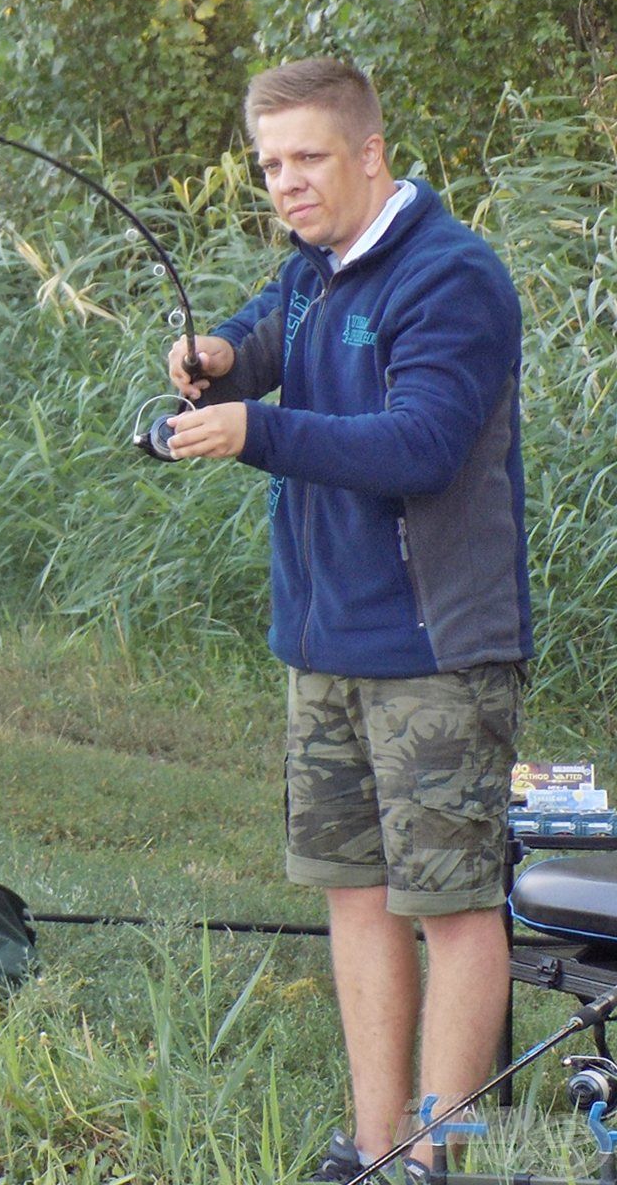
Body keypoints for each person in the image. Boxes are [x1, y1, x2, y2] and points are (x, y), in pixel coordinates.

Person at [163, 57, 531, 1181]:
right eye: (272, 164)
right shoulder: (314, 268)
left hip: (437, 650)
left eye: (310, 158)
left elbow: (420, 443)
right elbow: (269, 332)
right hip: (321, 648)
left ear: (372, 153)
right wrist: (222, 356)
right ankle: (373, 1149)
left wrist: (255, 430)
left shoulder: (452, 278)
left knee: (458, 908)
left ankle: (438, 1155)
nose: (288, 184)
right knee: (357, 895)